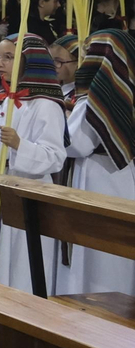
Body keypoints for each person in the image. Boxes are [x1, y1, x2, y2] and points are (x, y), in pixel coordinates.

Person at [0, 33, 66, 292]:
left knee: (22, 264)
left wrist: (20, 146)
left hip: (27, 194)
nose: (1, 63)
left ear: (29, 61)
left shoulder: (45, 105)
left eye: (9, 57)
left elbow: (56, 157)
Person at [56, 30, 135, 298]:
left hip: (98, 176)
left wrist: (59, 118)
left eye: (90, 52)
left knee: (95, 255)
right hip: (121, 176)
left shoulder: (96, 98)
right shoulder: (126, 92)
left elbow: (76, 143)